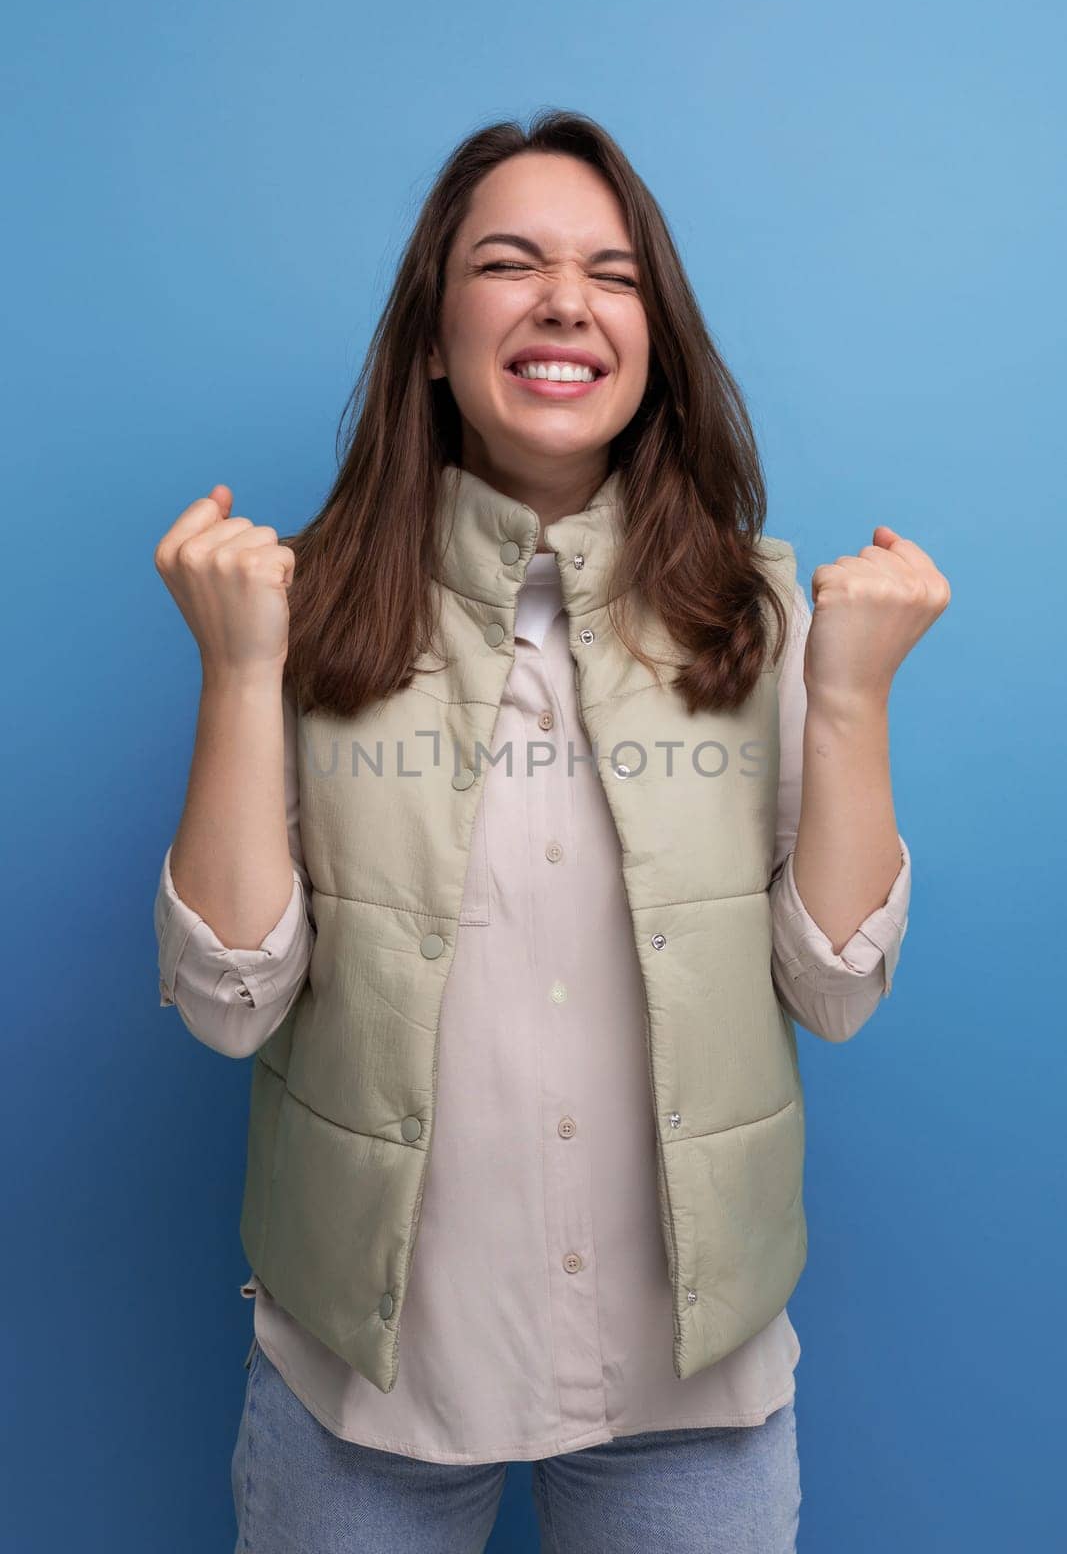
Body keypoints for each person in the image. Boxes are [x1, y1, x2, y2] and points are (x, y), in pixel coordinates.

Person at [152, 110, 949, 1553]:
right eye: (510, 263)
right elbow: (226, 1006)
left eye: (614, 274)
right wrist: (236, 671)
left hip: (690, 1386)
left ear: (656, 343)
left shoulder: (758, 619)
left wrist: (848, 701)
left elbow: (833, 992)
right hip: (366, 1394)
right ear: (431, 343)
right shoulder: (297, 607)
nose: (566, 301)